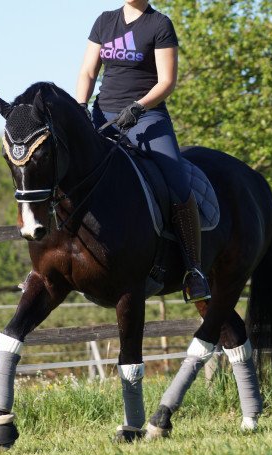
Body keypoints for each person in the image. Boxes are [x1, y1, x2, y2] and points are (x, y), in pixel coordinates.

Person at [76, 0, 211, 303]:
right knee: (70, 171)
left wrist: (138, 107)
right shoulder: (104, 21)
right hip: (103, 115)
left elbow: (167, 81)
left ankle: (194, 270)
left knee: (177, 182)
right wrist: (81, 106)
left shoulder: (159, 25)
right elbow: (87, 70)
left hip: (146, 116)